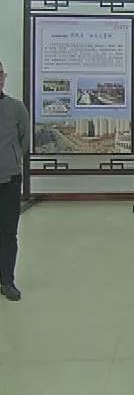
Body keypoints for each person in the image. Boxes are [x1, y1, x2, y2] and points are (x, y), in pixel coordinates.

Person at [0, 61, 29, 302]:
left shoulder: (16, 108)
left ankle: (7, 281)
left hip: (9, 179)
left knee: (8, 232)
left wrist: (12, 159)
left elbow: (24, 140)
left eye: (0, 73)